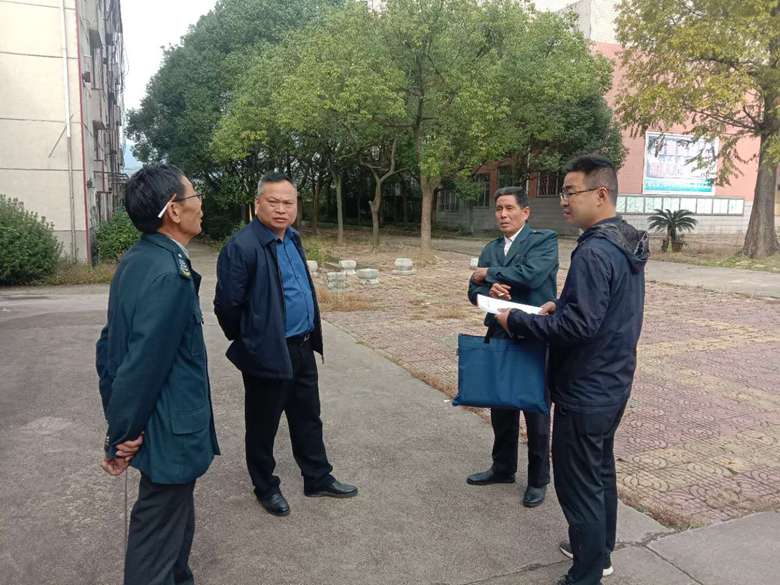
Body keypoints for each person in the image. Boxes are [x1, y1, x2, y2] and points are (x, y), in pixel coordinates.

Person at [495, 156, 648, 585]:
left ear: (600, 194)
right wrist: (559, 306)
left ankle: (585, 574)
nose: (563, 200)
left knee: (579, 484)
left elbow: (578, 328)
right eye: (562, 191)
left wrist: (516, 319)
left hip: (586, 388)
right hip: (613, 380)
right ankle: (600, 552)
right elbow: (601, 311)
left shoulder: (595, 250)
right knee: (599, 471)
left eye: (570, 191)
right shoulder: (623, 242)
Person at [96, 163, 220, 585]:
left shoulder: (140, 258)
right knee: (156, 540)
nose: (200, 203)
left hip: (159, 426)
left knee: (175, 521)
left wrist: (119, 420)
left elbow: (108, 347)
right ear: (174, 210)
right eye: (194, 195)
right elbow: (141, 365)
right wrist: (121, 434)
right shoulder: (169, 274)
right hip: (168, 431)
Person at [214, 172, 357, 517]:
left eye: (288, 203)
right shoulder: (242, 246)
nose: (281, 209)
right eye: (273, 202)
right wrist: (253, 339)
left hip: (302, 345)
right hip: (267, 350)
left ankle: (317, 477)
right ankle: (265, 487)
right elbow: (227, 306)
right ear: (257, 203)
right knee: (263, 424)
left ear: (296, 206)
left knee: (308, 416)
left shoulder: (292, 237)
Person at [467, 187, 559, 507]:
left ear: (525, 212)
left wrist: (487, 274)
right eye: (498, 209)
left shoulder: (543, 240)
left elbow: (531, 276)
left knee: (535, 412)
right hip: (499, 334)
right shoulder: (490, 248)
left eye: (509, 208)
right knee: (501, 407)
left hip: (533, 336)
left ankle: (538, 480)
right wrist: (487, 288)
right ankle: (503, 467)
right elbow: (473, 292)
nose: (503, 214)